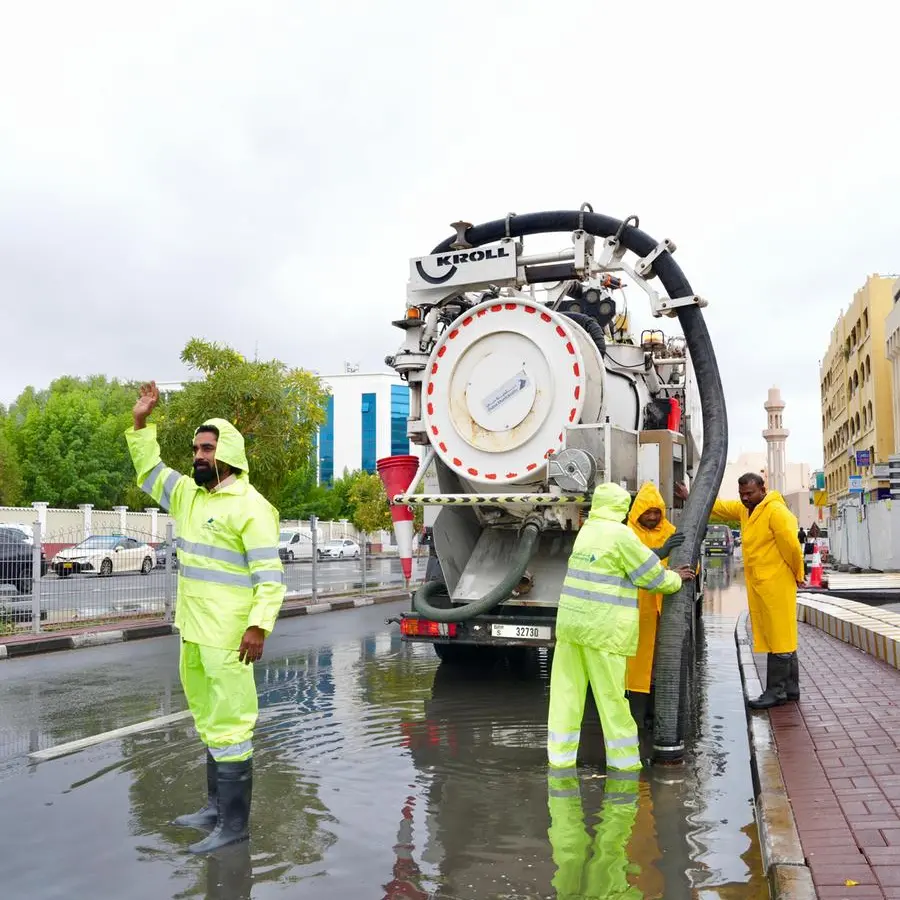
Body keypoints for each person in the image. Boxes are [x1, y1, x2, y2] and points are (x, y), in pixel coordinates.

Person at [127, 381, 286, 853]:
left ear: (228, 454)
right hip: (193, 631)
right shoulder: (188, 497)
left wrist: (259, 626)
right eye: (196, 448)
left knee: (232, 725)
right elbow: (149, 471)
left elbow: (269, 576)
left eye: (206, 448)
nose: (197, 455)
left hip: (231, 637)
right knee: (209, 719)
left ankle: (234, 826)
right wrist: (140, 424)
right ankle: (215, 809)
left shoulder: (252, 508)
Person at [547, 482, 695, 773]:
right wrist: (676, 578)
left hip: (570, 629)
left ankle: (560, 761)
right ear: (622, 507)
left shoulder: (586, 532)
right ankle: (625, 766)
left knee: (566, 697)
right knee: (612, 699)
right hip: (603, 631)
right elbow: (652, 578)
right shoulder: (621, 535)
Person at [676, 473, 804, 709]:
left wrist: (798, 573)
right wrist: (691, 496)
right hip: (762, 583)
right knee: (778, 634)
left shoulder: (776, 511)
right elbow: (721, 507)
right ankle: (790, 689)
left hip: (777, 582)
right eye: (742, 494)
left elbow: (792, 546)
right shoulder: (748, 510)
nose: (745, 498)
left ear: (763, 489)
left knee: (779, 636)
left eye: (750, 493)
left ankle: (775, 692)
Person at [625, 482, 683, 729]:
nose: (651, 517)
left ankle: (653, 717)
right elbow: (634, 563)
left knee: (659, 664)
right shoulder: (626, 534)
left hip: (662, 611)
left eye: (655, 512)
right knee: (635, 665)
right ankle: (634, 718)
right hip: (634, 610)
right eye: (646, 512)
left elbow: (689, 565)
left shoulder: (670, 531)